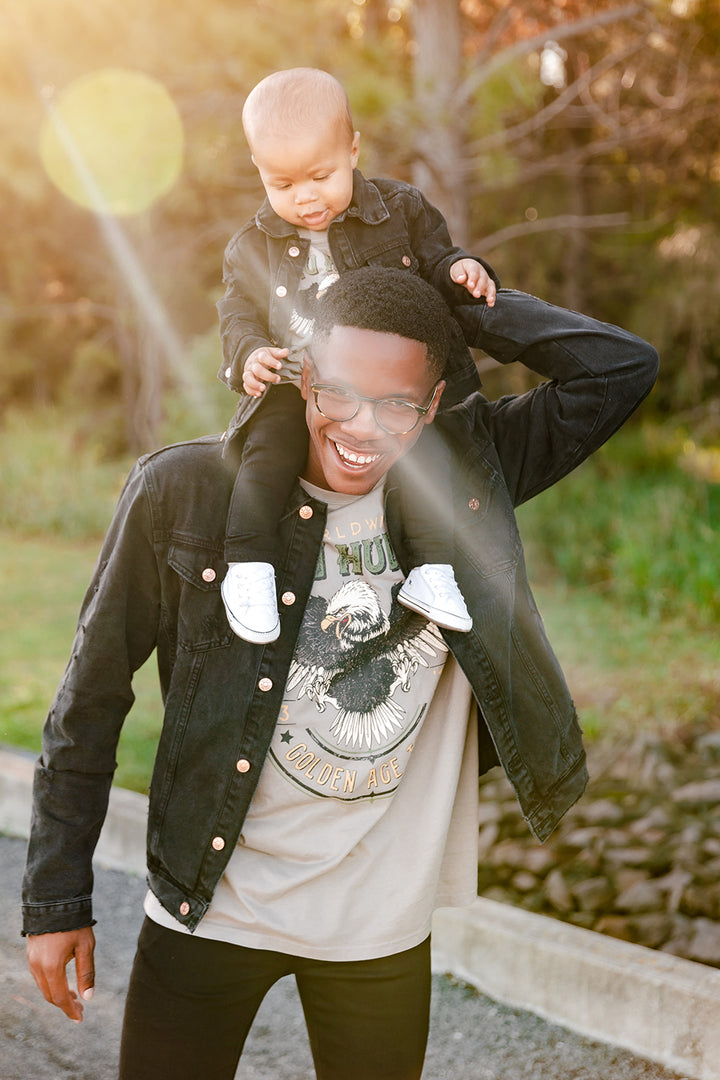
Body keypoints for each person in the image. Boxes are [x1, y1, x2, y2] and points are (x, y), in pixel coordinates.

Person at [23, 267, 658, 1080]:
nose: (363, 426)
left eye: (398, 403)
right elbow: (90, 700)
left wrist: (458, 305)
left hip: (379, 927)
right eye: (339, 395)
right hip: (210, 904)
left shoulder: (467, 473)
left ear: (432, 405)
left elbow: (621, 368)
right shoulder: (182, 493)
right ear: (304, 378)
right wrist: (55, 900)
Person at [217, 66, 500, 644]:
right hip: (300, 380)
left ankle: (433, 570)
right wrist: (248, 355)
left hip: (390, 383)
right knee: (266, 450)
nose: (305, 197)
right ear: (260, 172)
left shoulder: (399, 209)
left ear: (352, 149)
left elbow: (437, 260)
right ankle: (248, 568)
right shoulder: (250, 245)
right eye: (283, 184)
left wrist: (461, 269)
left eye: (320, 176)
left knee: (431, 451)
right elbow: (237, 313)